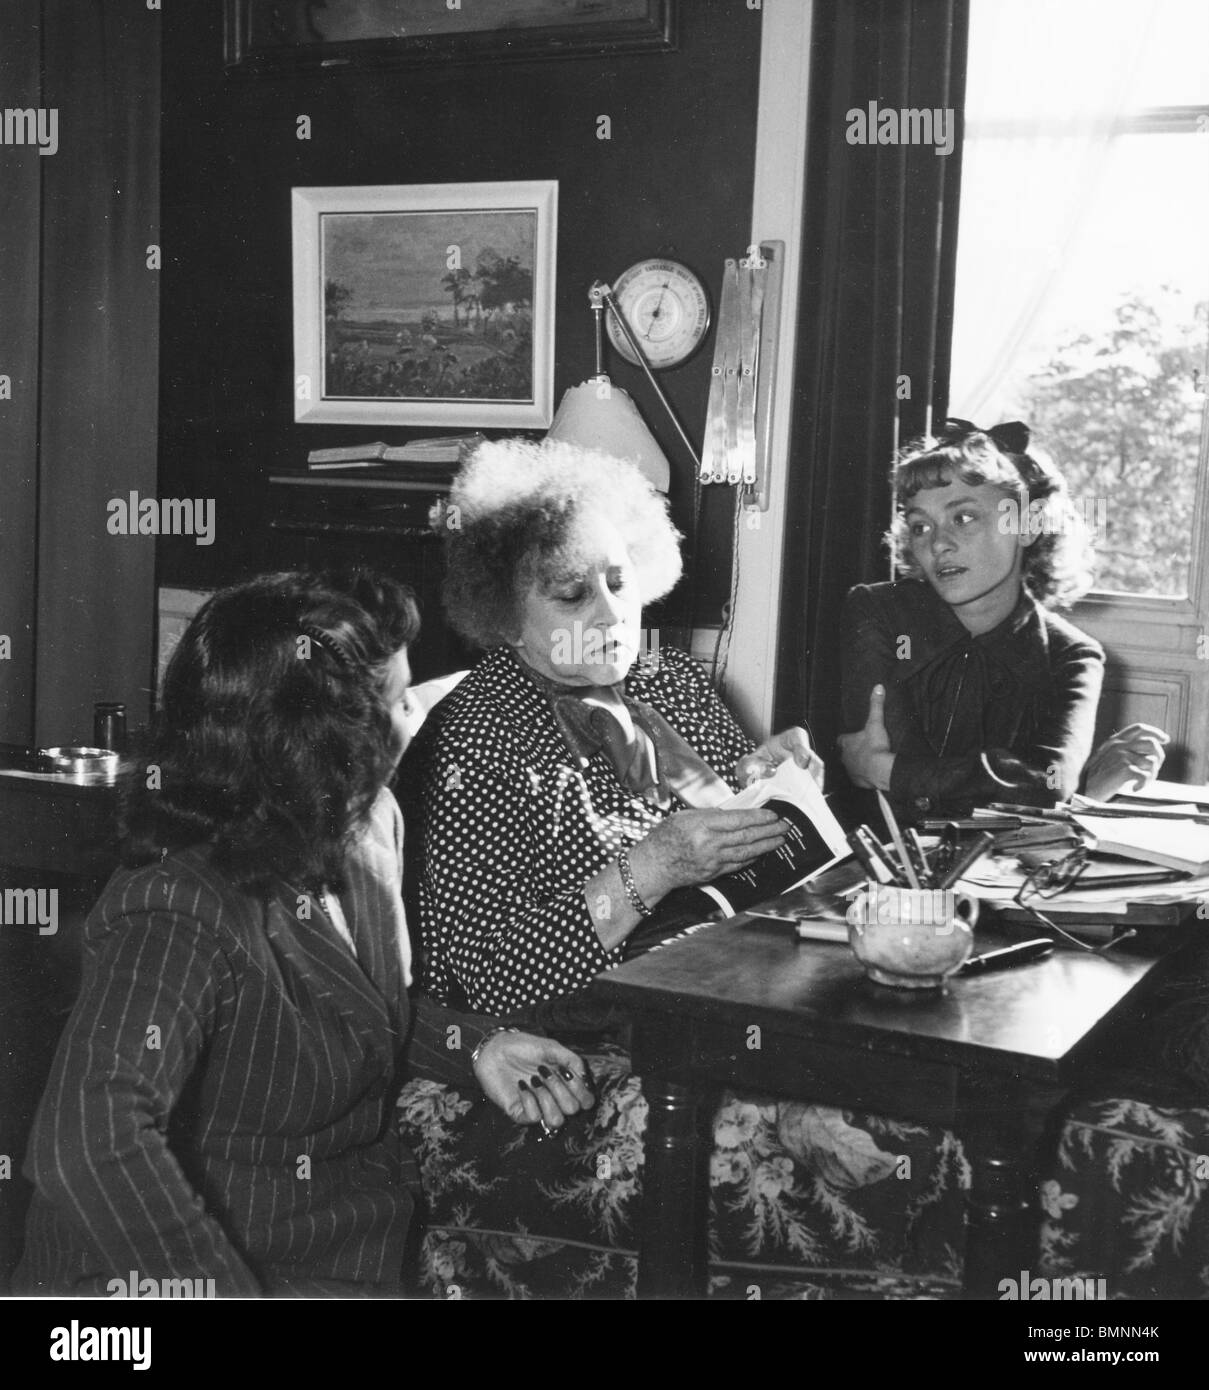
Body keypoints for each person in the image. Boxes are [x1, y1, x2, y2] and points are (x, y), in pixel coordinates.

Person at [17, 570, 591, 1297]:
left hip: (342, 1263)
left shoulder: (367, 830)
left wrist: (476, 1044)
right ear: (324, 742)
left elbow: (348, 1007)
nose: (417, 717)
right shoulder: (177, 906)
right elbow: (87, 1142)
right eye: (398, 702)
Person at [407, 437, 822, 1015]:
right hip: (589, 1025)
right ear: (504, 618)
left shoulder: (667, 676)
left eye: (619, 582)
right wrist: (652, 868)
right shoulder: (476, 739)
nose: (610, 615)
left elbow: (733, 812)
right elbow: (491, 976)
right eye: (573, 595)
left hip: (727, 979)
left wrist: (762, 775)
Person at [837, 420, 1166, 821]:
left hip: (1008, 869)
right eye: (921, 526)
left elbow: (1049, 785)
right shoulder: (877, 611)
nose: (938, 543)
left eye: (963, 518)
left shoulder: (1072, 656)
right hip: (879, 870)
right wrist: (1021, 784)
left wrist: (887, 770)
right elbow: (911, 804)